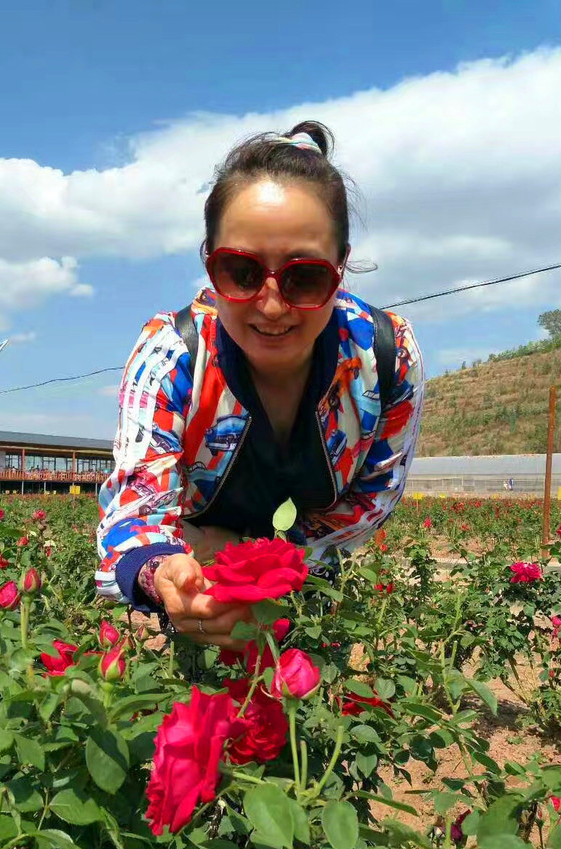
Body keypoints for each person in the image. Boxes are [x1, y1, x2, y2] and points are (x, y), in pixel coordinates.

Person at [96, 121, 424, 648]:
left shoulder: (385, 356)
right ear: (210, 264)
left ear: (341, 270)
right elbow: (136, 509)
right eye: (241, 273)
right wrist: (162, 573)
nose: (271, 306)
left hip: (309, 572)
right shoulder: (174, 352)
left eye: (305, 277)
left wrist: (253, 557)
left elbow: (370, 502)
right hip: (194, 582)